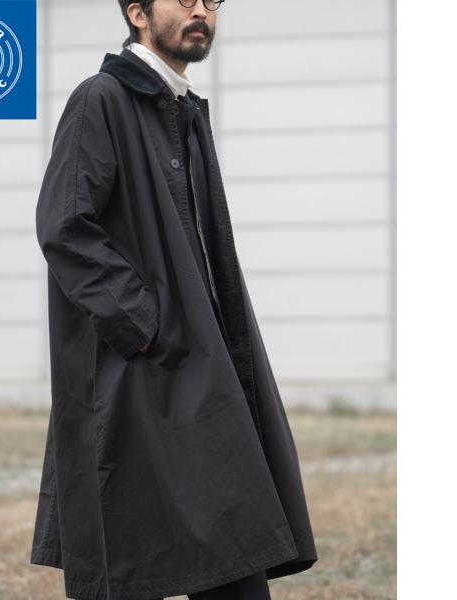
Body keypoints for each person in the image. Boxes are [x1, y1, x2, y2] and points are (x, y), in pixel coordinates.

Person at [30, 1, 318, 599]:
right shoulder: (101, 100)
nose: (201, 10)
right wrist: (144, 324)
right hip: (135, 371)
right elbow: (65, 225)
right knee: (135, 558)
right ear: (137, 13)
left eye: (211, 0)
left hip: (196, 362)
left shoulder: (180, 109)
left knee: (233, 547)